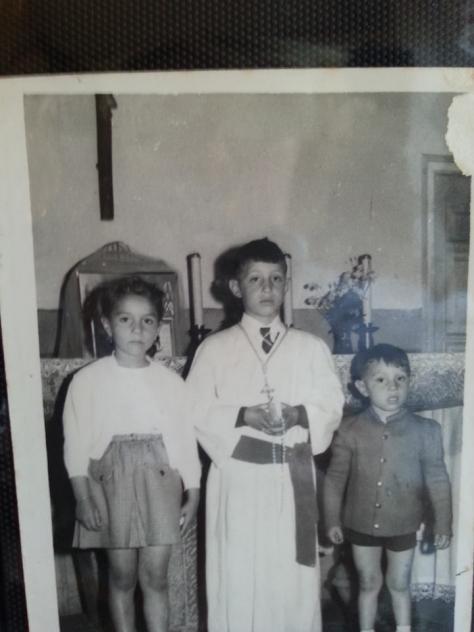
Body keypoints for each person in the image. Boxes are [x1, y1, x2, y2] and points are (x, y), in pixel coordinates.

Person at [186, 237, 345, 632]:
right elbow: (194, 410)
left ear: (286, 284)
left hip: (294, 477)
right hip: (239, 479)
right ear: (235, 287)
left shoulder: (310, 348)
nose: (267, 288)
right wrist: (243, 416)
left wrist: (299, 414)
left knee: (291, 579)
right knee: (241, 574)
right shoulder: (215, 348)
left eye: (276, 278)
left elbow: (331, 405)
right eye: (255, 279)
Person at [63, 276, 200, 632]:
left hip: (160, 480)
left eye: (147, 320)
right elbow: (75, 443)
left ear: (158, 327)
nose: (137, 329)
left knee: (155, 576)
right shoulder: (87, 380)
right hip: (110, 482)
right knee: (122, 575)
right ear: (107, 325)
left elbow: (184, 441)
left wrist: (193, 491)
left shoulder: (171, 383)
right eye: (126, 319)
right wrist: (83, 497)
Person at [324, 343, 452, 632]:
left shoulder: (426, 431)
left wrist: (443, 524)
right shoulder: (349, 429)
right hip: (360, 523)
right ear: (362, 387)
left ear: (409, 381)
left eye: (400, 378)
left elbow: (438, 480)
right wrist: (332, 519)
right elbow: (334, 479)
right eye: (381, 379)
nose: (392, 386)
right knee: (368, 582)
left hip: (403, 523)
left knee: (399, 583)